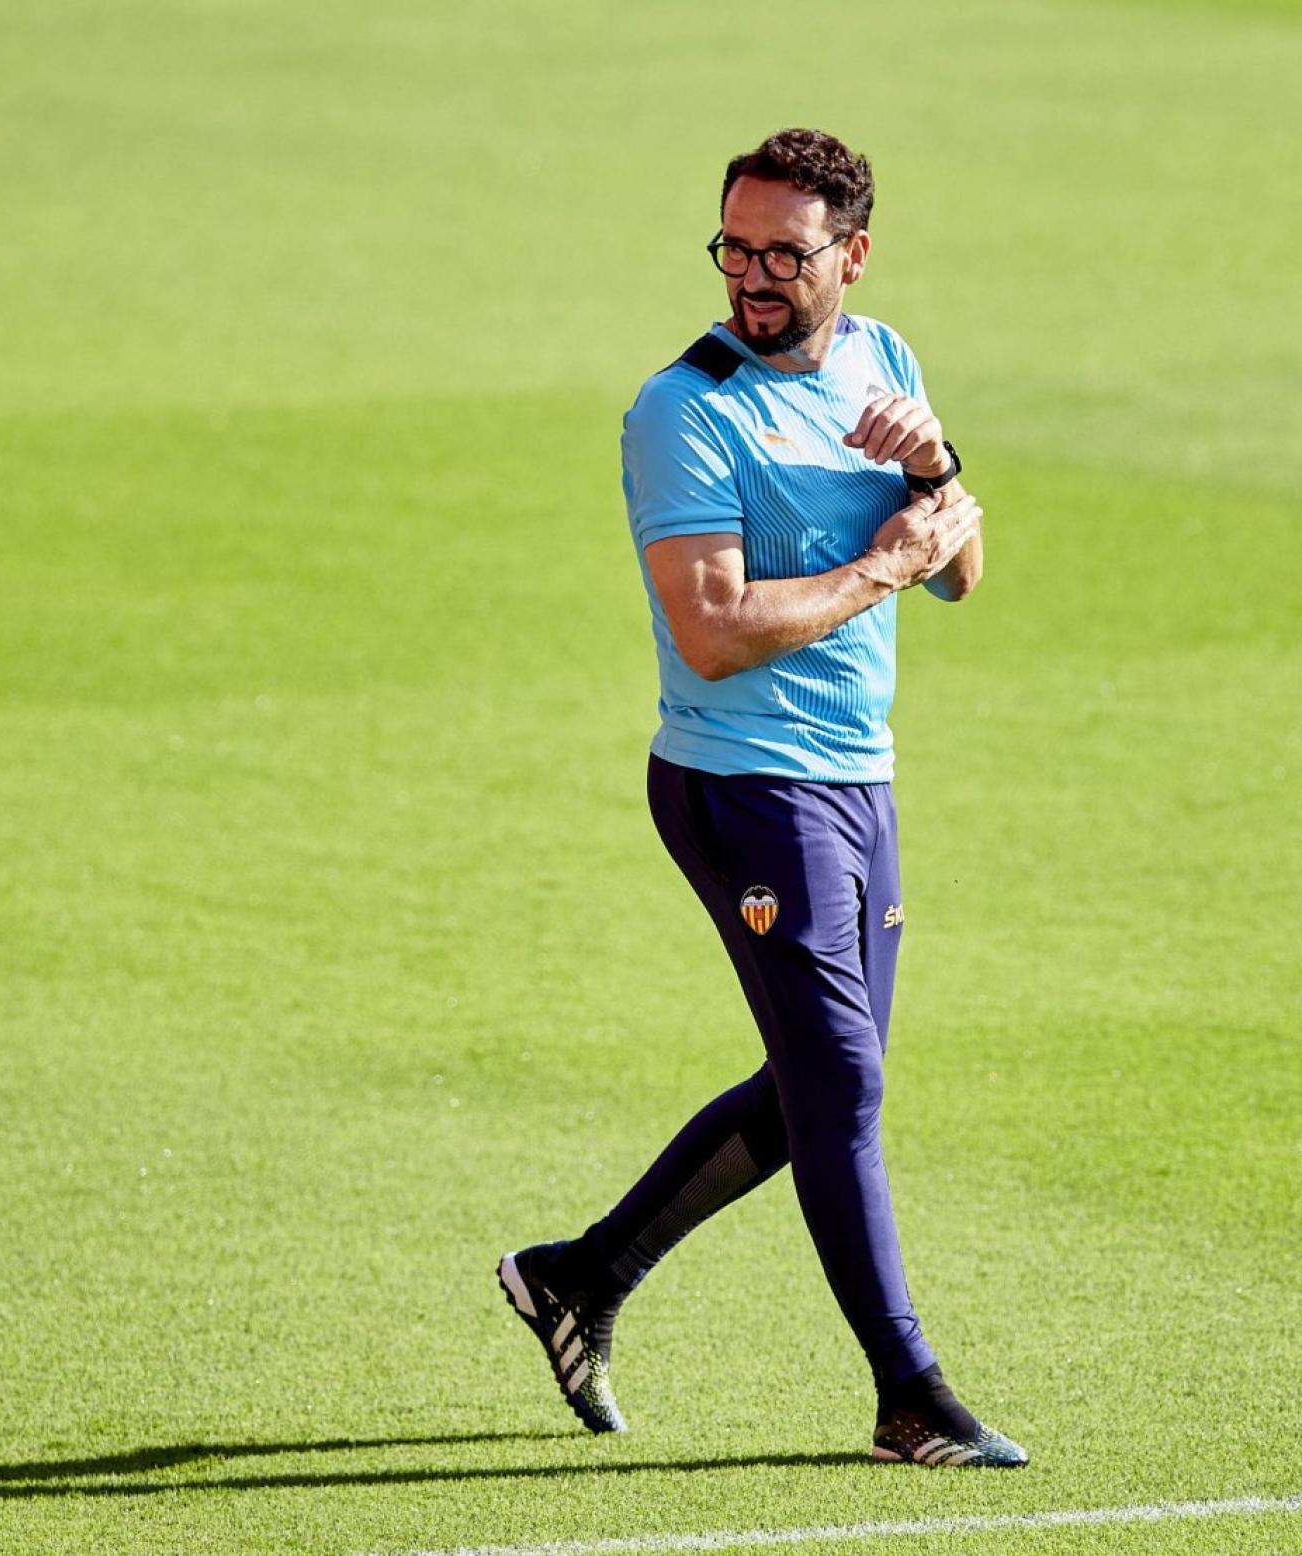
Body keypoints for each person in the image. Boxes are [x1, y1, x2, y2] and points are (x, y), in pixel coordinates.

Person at [496, 128, 1026, 1468]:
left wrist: (933, 476)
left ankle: (581, 1275)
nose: (754, 276)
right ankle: (909, 1394)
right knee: (839, 1081)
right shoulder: (684, 410)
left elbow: (965, 572)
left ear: (852, 253)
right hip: (742, 784)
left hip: (861, 776)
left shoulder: (883, 356)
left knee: (822, 1090)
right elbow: (715, 628)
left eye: (785, 253)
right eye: (735, 248)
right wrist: (885, 565)